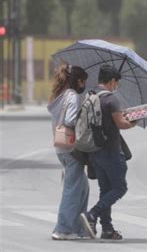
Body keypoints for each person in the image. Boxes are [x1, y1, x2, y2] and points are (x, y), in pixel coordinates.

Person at [80, 65, 136, 240]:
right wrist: (134, 120)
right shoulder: (111, 99)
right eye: (116, 83)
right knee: (120, 188)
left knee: (105, 190)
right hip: (111, 152)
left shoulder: (90, 96)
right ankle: (92, 214)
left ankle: (107, 229)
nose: (116, 86)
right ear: (112, 81)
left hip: (94, 152)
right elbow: (121, 124)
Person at [47, 62, 89, 240]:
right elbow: (71, 120)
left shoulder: (59, 95)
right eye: (84, 82)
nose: (84, 85)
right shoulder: (72, 96)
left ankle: (78, 229)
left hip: (60, 147)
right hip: (71, 148)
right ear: (78, 81)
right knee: (72, 189)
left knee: (82, 188)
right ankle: (63, 229)